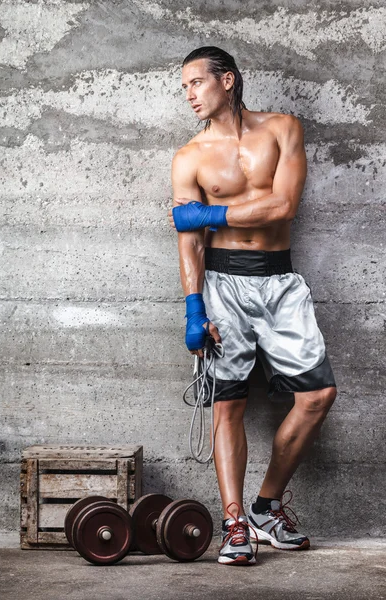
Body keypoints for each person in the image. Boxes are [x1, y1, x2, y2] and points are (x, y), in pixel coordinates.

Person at [168, 46, 337, 566]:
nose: (190, 95)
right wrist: (194, 308)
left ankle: (267, 505)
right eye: (185, 88)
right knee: (229, 404)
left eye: (197, 83)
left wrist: (209, 212)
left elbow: (284, 204)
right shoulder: (189, 157)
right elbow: (189, 241)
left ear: (228, 81)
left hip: (280, 281)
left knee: (317, 396)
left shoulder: (283, 129)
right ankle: (236, 521)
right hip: (223, 284)